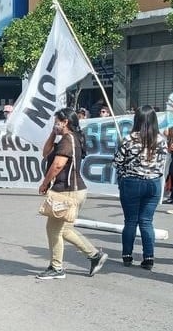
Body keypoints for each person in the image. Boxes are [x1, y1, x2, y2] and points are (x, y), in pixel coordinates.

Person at [35, 108, 109, 280]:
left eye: (56, 122)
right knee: (65, 230)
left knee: (54, 230)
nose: (55, 124)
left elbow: (58, 165)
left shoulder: (68, 141)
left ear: (65, 121)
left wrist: (45, 183)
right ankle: (94, 256)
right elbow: (45, 153)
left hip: (68, 191)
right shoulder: (66, 139)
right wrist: (53, 134)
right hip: (73, 191)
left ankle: (57, 268)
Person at [113, 105, 169, 270]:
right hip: (153, 183)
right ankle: (149, 257)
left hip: (131, 182)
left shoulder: (128, 139)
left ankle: (127, 256)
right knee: (146, 221)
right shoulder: (161, 140)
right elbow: (163, 163)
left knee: (130, 221)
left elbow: (117, 162)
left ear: (136, 120)